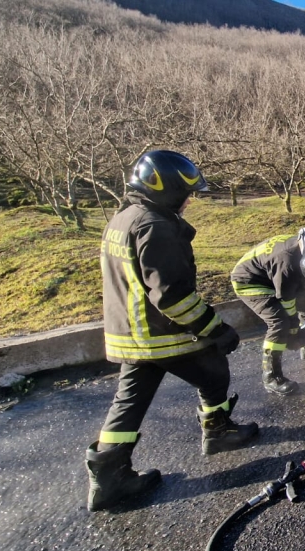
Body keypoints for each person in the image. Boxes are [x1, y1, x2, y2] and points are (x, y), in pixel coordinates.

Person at [86, 150, 258, 512]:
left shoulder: (124, 218)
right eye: (186, 193)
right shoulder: (155, 226)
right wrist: (214, 328)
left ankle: (108, 480)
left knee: (129, 402)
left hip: (131, 331)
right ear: (165, 189)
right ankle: (218, 432)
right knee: (213, 370)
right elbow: (172, 295)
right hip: (159, 331)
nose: (190, 200)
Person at [230, 228, 305, 396]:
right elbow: (286, 300)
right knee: (279, 322)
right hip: (249, 281)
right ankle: (271, 377)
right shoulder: (287, 262)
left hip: (271, 274)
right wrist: (294, 333)